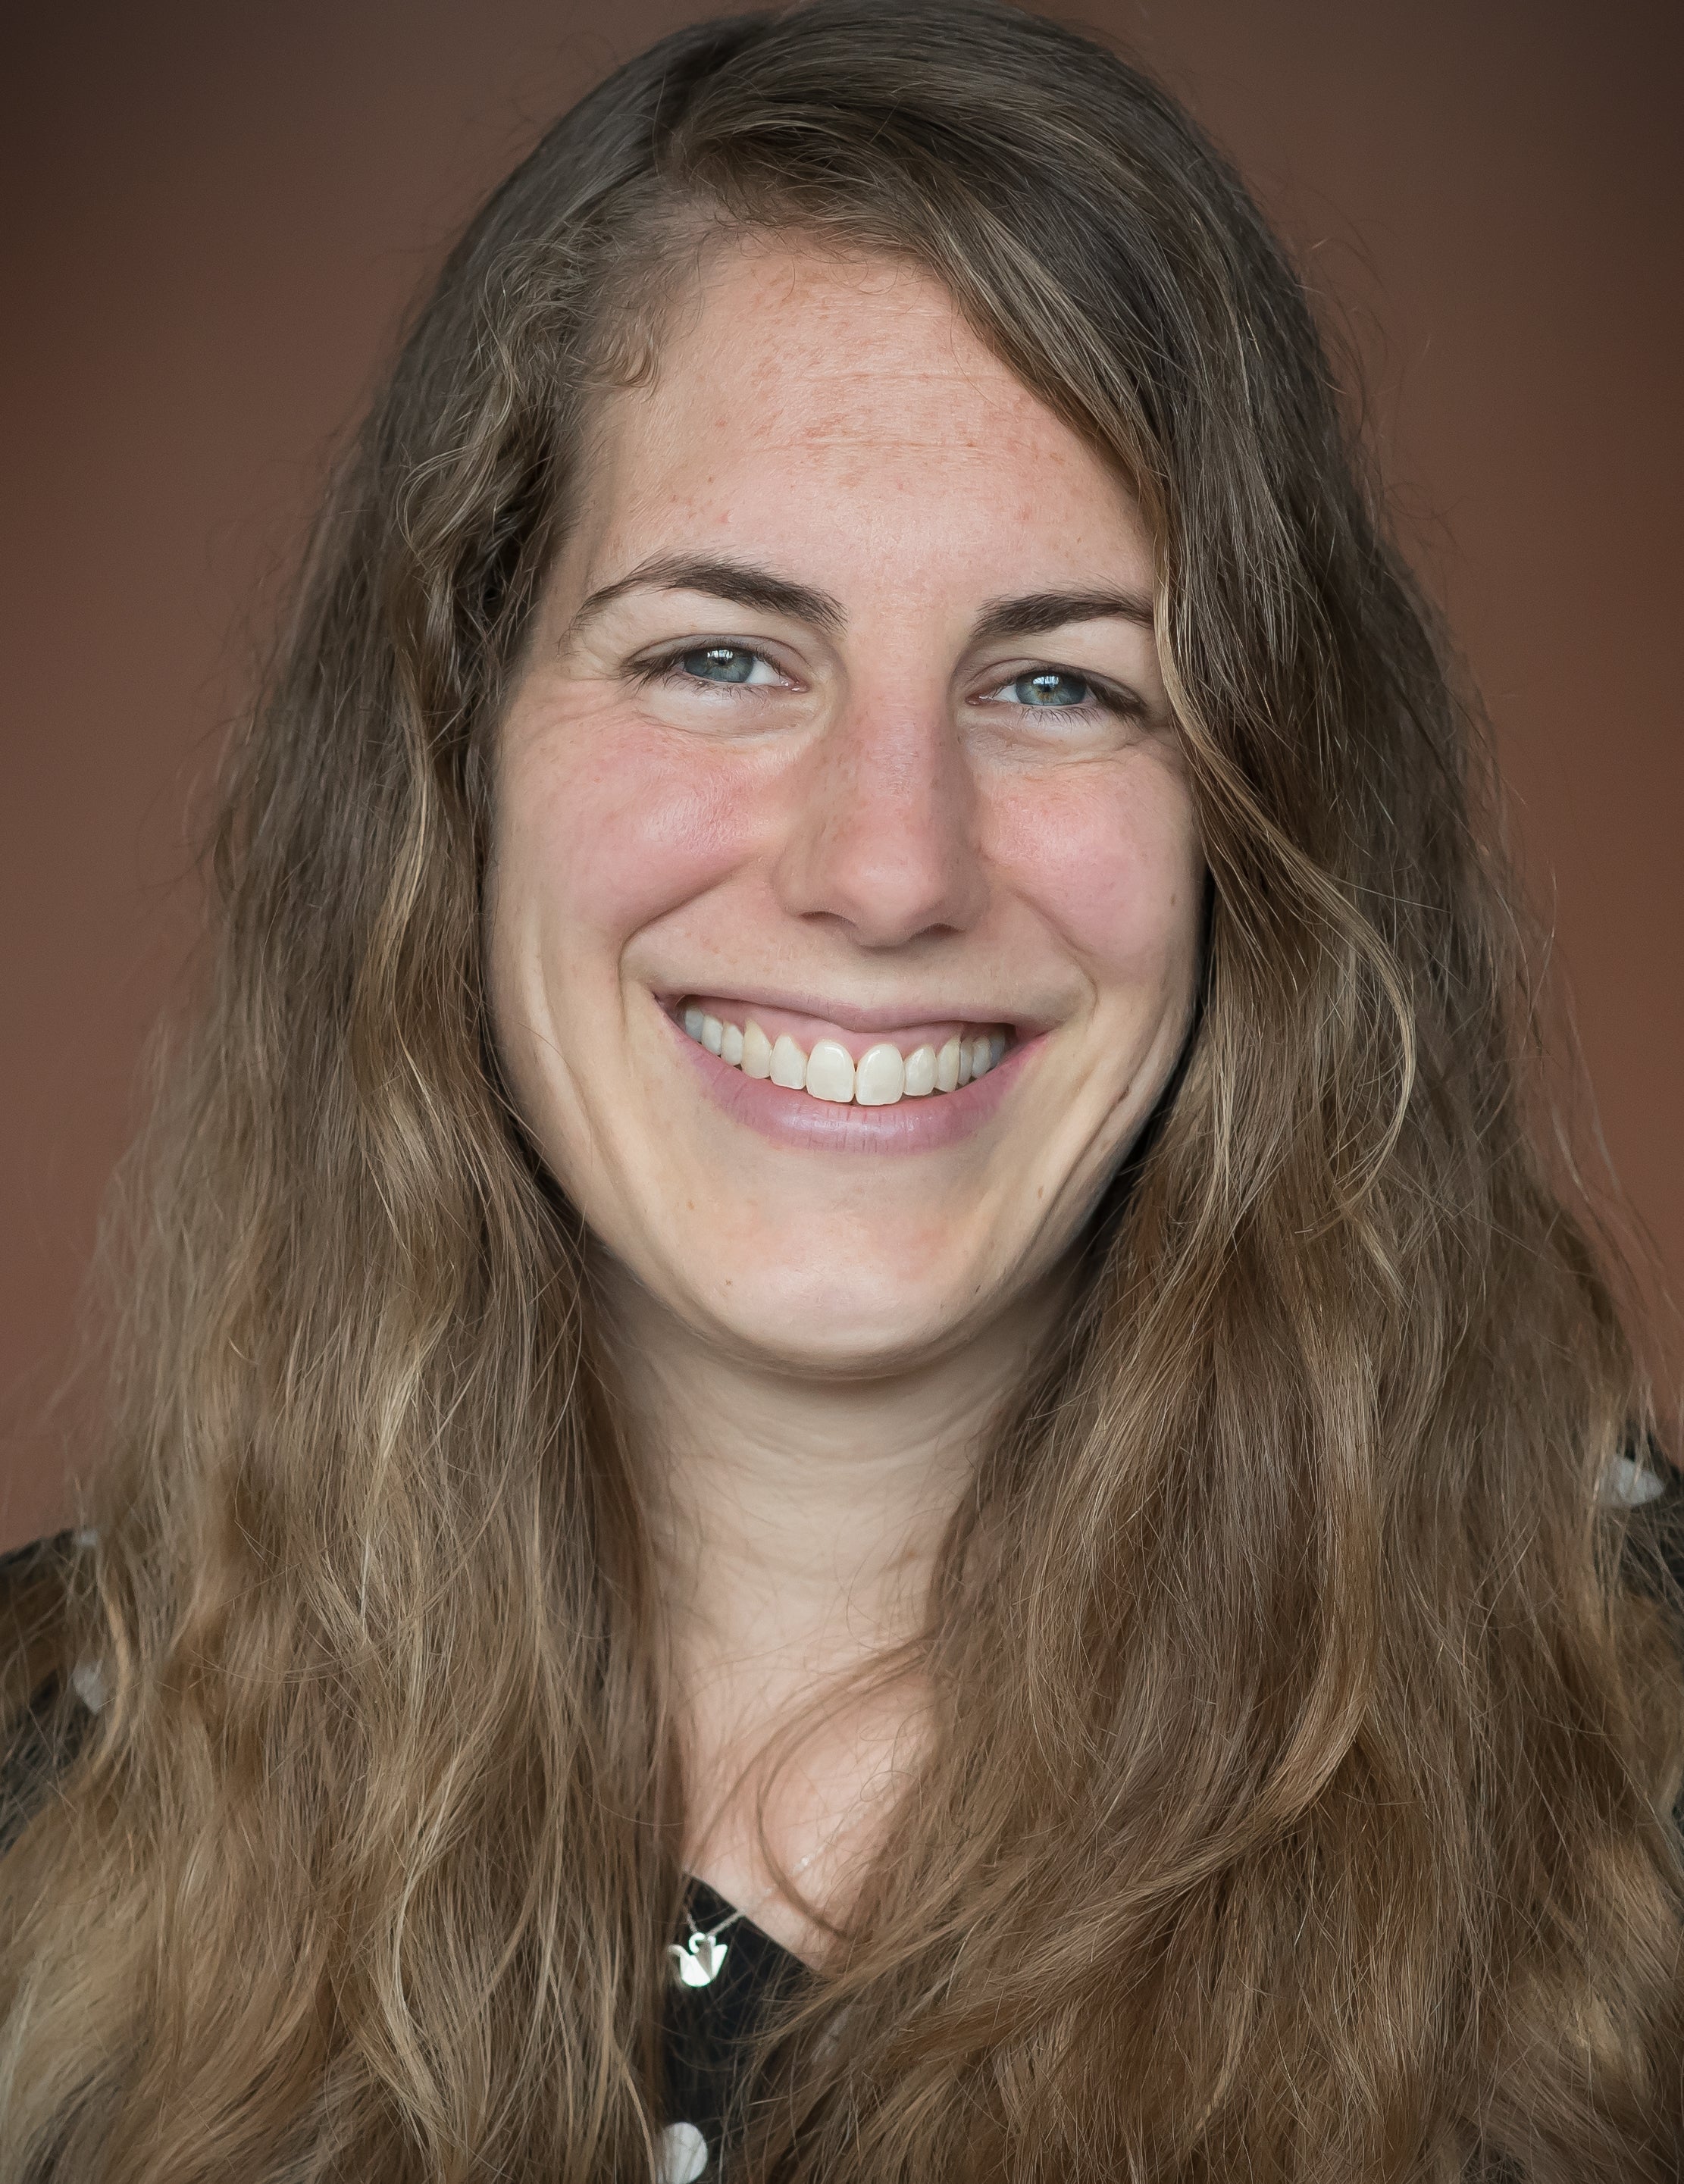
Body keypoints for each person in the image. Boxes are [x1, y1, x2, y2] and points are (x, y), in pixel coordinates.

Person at [2, 3, 1680, 2177]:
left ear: (1266, 829)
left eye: (1063, 681)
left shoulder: (1637, 1793)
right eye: (722, 654)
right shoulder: (40, 1796)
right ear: (455, 759)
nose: (892, 863)